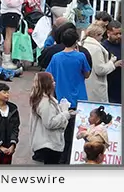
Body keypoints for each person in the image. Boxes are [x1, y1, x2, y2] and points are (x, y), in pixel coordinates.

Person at [46, 28, 91, 164]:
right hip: (79, 99)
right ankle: (70, 158)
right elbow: (87, 74)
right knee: (75, 131)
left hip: (61, 99)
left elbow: (49, 75)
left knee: (61, 131)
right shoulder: (80, 56)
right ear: (76, 41)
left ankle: (60, 158)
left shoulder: (56, 57)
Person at [29, 72, 71, 165]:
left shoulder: (42, 99)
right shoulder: (45, 103)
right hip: (49, 144)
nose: (54, 83)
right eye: (52, 81)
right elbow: (50, 123)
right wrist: (65, 114)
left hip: (46, 143)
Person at [0, 0, 30, 70]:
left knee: (11, 36)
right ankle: (6, 60)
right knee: (9, 36)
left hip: (13, 12)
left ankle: (9, 58)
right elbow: (9, 1)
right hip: (10, 12)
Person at [80, 24, 120, 103]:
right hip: (96, 86)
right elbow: (100, 70)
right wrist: (113, 63)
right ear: (96, 35)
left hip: (86, 84)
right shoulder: (96, 48)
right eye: (101, 35)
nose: (102, 38)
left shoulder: (83, 44)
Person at [101, 20, 121, 103]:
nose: (119, 36)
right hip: (111, 85)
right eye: (116, 34)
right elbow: (101, 67)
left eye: (120, 33)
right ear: (108, 33)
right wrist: (115, 65)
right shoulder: (103, 47)